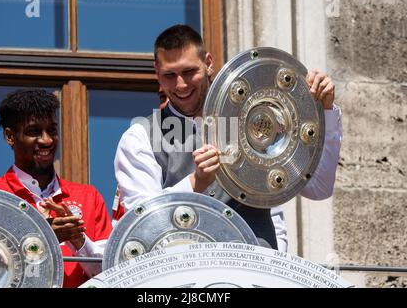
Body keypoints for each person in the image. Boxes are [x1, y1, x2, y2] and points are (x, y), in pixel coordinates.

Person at [114, 24, 342, 250]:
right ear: (157, 73)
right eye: (169, 75)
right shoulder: (140, 137)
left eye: (189, 72)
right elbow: (141, 226)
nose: (180, 84)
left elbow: (319, 187)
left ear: (209, 64)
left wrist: (327, 111)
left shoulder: (255, 120)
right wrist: (196, 182)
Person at [0, 89, 112, 288]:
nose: (47, 140)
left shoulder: (88, 197)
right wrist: (42, 238)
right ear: (10, 136)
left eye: (52, 130)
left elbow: (113, 275)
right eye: (34, 132)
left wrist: (79, 241)